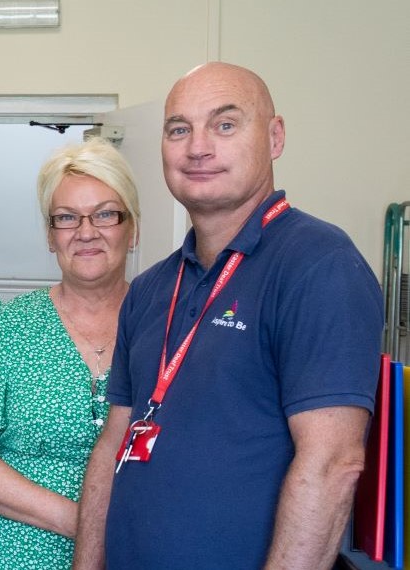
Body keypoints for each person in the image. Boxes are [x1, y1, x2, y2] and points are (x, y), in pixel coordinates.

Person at [73, 62, 381, 569]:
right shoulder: (151, 288)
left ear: (275, 137)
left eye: (225, 124)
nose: (198, 147)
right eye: (179, 130)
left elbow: (332, 464)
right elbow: (114, 444)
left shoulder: (318, 265)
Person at [0, 138, 140, 569]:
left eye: (104, 214)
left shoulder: (167, 326)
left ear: (131, 228)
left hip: (135, 552)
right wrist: (84, 524)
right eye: (66, 218)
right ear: (49, 235)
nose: (85, 232)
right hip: (11, 554)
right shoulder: (3, 327)